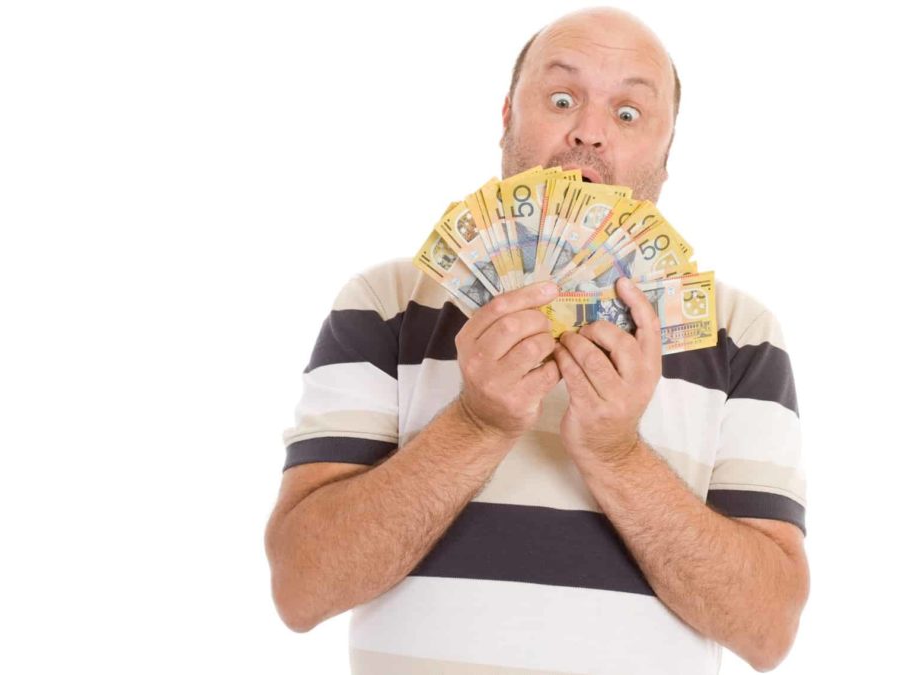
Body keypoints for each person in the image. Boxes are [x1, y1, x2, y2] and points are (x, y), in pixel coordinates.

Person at [264, 7, 809, 673]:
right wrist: (474, 423)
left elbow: (767, 628)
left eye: (629, 114)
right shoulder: (386, 305)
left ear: (666, 156)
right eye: (561, 99)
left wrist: (617, 456)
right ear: (506, 119)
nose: (589, 133)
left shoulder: (739, 334)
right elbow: (302, 588)